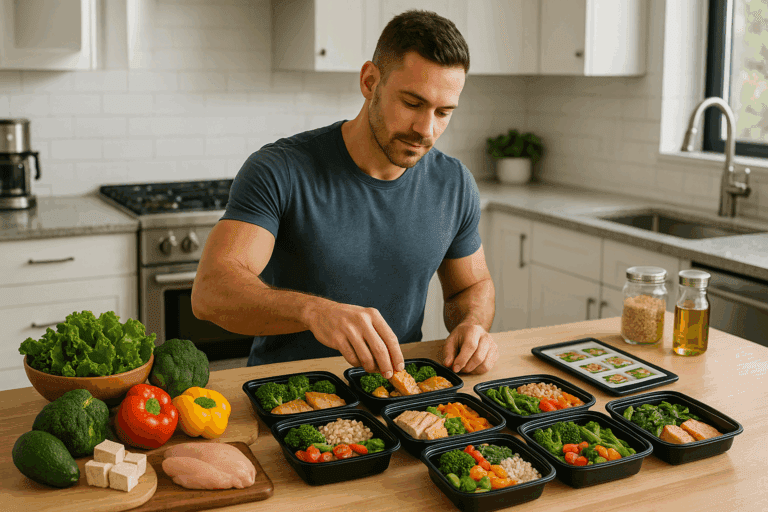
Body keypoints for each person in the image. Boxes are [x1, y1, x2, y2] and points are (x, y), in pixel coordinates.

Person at [191, 9, 497, 378]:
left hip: (390, 393)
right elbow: (210, 291)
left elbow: (472, 286)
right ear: (370, 81)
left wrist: (472, 325)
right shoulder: (281, 169)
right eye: (412, 104)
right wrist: (314, 312)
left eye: (444, 112)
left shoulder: (454, 184)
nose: (426, 130)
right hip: (286, 393)